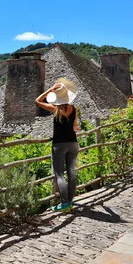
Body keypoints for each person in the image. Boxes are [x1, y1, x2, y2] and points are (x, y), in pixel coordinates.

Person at [35, 78, 79, 213]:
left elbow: (38, 101)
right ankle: (70, 202)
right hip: (73, 143)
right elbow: (75, 127)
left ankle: (64, 203)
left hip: (59, 144)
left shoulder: (55, 109)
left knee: (59, 173)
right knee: (71, 172)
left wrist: (50, 90)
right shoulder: (73, 109)